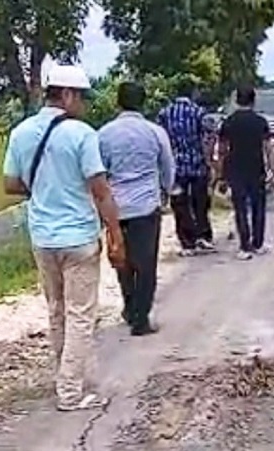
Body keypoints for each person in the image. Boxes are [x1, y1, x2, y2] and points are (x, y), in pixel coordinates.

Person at [2, 64, 125, 411]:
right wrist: (115, 233)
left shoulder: (21, 132)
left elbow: (10, 184)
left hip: (43, 238)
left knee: (57, 310)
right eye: (81, 97)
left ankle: (65, 377)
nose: (83, 104)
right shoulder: (82, 134)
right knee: (81, 315)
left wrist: (43, 187)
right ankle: (70, 392)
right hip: (79, 239)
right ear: (67, 95)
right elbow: (100, 190)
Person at [98, 81, 176, 336]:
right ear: (143, 103)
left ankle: (130, 306)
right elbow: (167, 167)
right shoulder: (155, 132)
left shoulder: (104, 134)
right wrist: (166, 190)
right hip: (145, 206)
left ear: (117, 102)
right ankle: (141, 318)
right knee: (146, 263)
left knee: (122, 260)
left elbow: (98, 172)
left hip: (115, 208)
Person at [156, 77, 214, 256]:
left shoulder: (165, 113)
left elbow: (161, 139)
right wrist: (209, 162)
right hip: (197, 164)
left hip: (175, 165)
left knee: (180, 204)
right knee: (200, 202)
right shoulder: (199, 112)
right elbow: (208, 138)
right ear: (193, 92)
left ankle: (187, 242)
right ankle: (203, 236)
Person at [218, 85, 271, 260]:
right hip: (256, 168)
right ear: (253, 101)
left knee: (240, 208)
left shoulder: (229, 122)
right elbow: (268, 147)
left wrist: (221, 173)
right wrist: (272, 168)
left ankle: (244, 246)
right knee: (258, 207)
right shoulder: (260, 121)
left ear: (236, 100)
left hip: (235, 169)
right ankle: (258, 243)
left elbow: (222, 149)